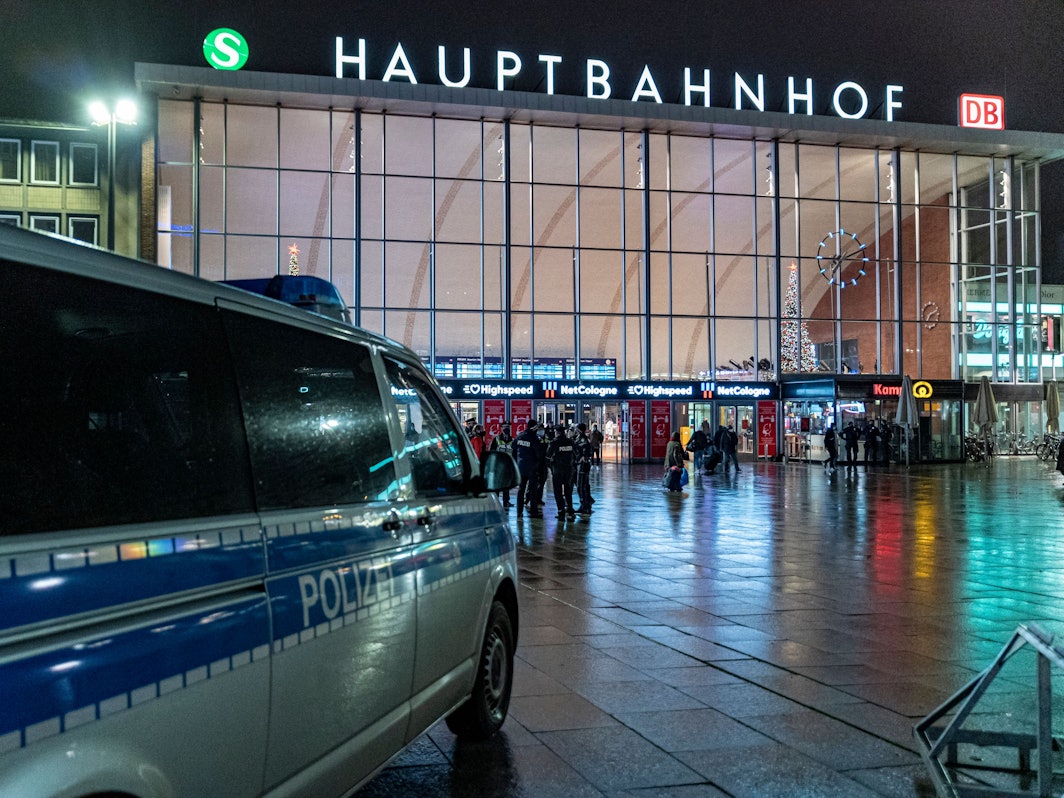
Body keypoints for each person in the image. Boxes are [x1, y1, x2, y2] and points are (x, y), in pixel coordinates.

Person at [546, 423, 576, 519]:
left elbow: (548, 457)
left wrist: (550, 467)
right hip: (569, 469)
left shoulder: (554, 442)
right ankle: (570, 511)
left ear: (557, 432)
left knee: (558, 491)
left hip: (558, 470)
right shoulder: (570, 442)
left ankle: (561, 512)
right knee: (568, 491)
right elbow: (575, 454)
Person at [514, 422, 543, 517]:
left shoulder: (520, 436)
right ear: (534, 428)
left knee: (521, 489)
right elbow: (538, 453)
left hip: (521, 467)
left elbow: (513, 449)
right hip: (532, 467)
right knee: (533, 490)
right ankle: (534, 511)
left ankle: (519, 511)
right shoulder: (534, 438)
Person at [489, 422, 516, 507]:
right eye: (504, 427)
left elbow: (515, 453)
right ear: (501, 428)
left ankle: (506, 501)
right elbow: (492, 451)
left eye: (508, 427)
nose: (506, 429)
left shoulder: (513, 440)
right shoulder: (496, 439)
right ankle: (496, 501)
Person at [573, 422, 593, 514]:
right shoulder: (578, 438)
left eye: (577, 429)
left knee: (581, 486)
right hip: (578, 465)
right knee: (582, 485)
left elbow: (586, 453)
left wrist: (583, 458)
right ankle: (587, 502)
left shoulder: (583, 440)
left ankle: (585, 505)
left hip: (582, 466)